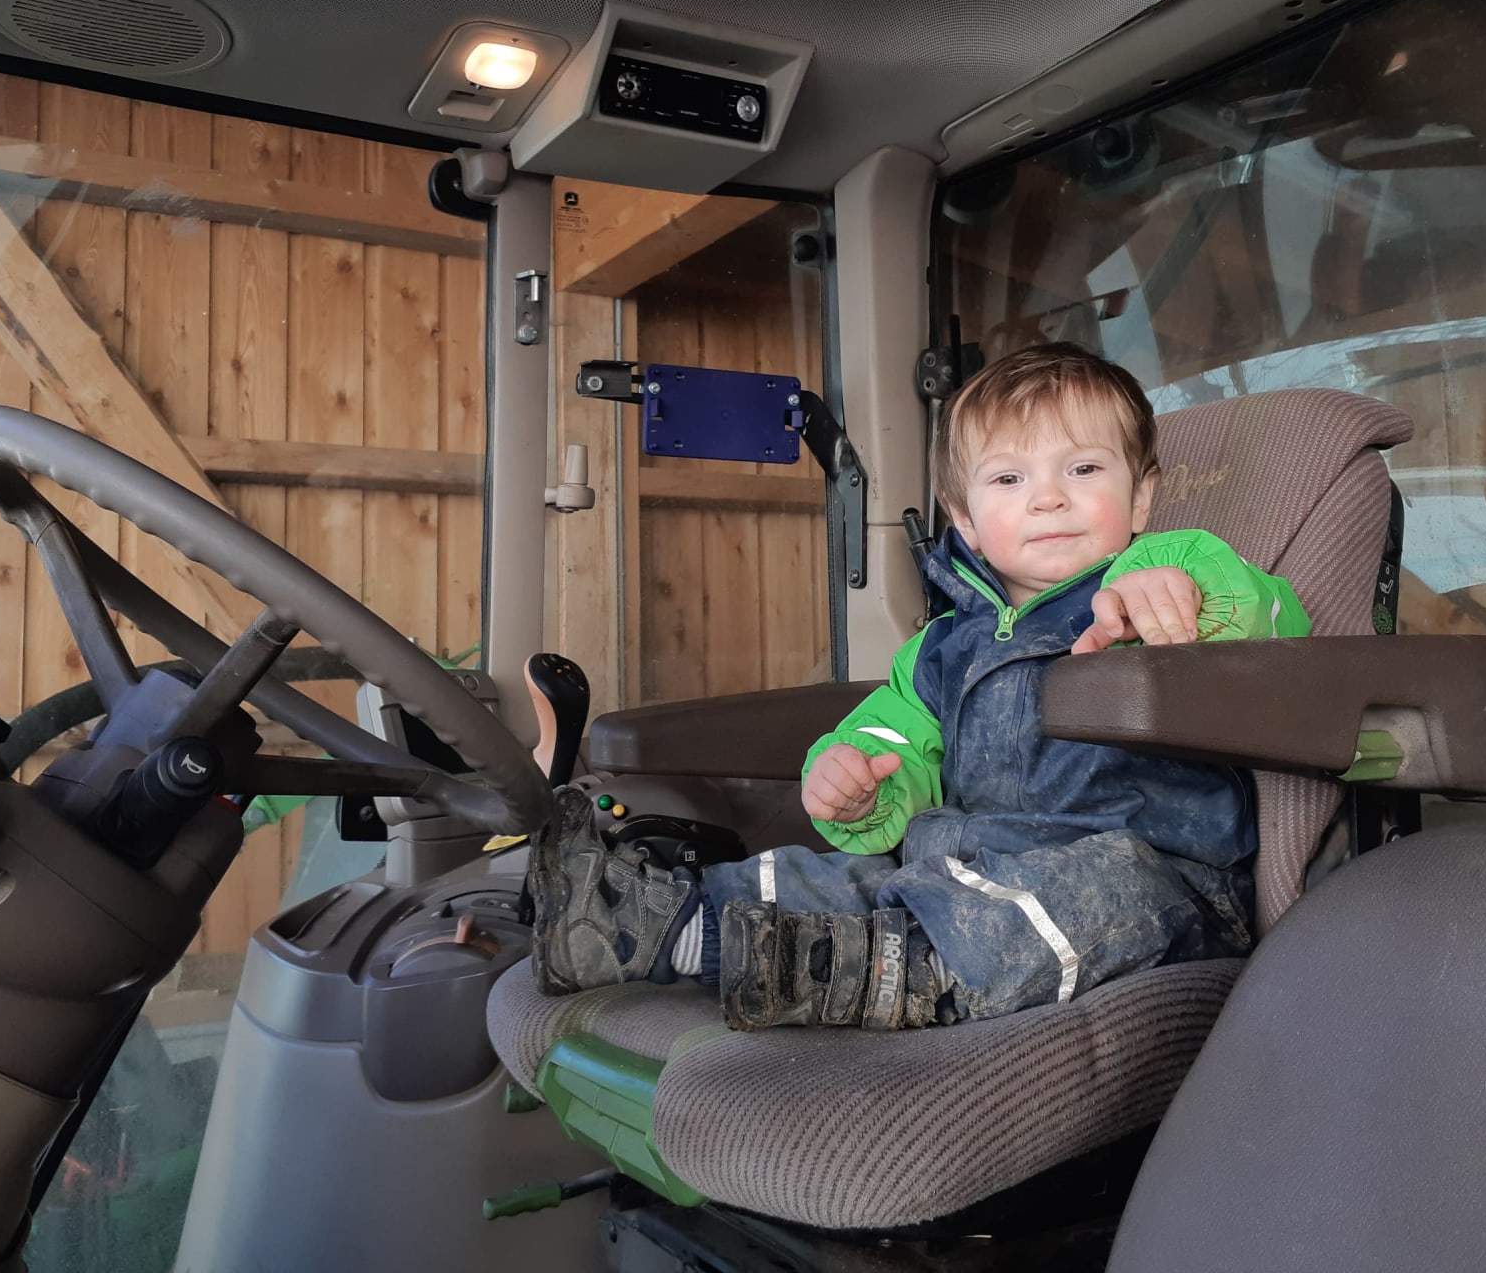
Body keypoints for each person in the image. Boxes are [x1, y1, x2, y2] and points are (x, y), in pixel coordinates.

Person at [529, 343, 1309, 1030]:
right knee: (839, 876)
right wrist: (855, 784)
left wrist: (1180, 592)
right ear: (965, 518)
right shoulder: (940, 649)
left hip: (1155, 882)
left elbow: (1282, 624)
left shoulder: (1175, 573)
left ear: (1140, 496)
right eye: (1009, 477)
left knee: (1093, 898)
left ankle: (880, 969)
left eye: (1083, 469)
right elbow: (891, 742)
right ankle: (656, 923)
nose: (1048, 496)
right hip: (962, 869)